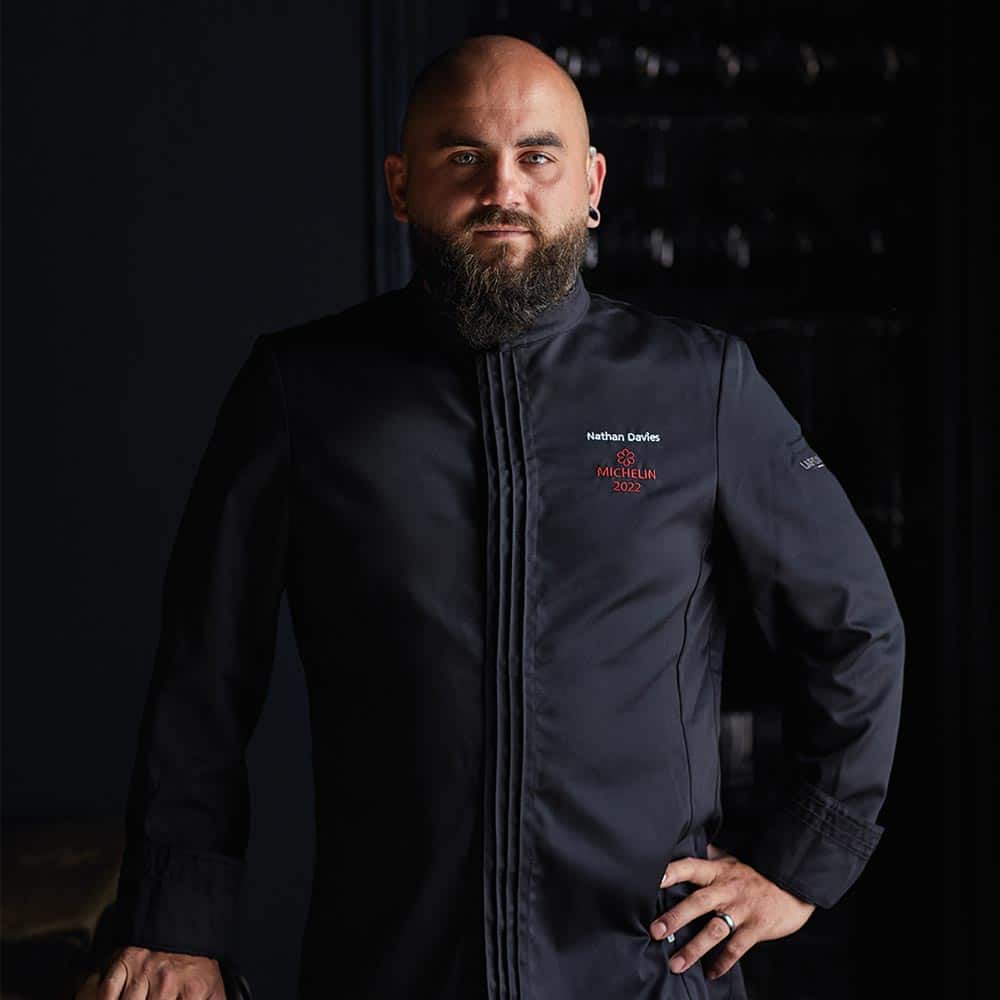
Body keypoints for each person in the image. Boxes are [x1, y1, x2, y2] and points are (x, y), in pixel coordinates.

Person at [85, 32, 905, 1000]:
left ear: (590, 184)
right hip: (388, 971)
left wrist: (800, 863)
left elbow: (857, 628)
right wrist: (175, 925)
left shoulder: (701, 386)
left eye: (537, 156)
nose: (501, 188)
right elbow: (204, 675)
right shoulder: (301, 393)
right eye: (464, 155)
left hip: (643, 972)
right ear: (401, 185)